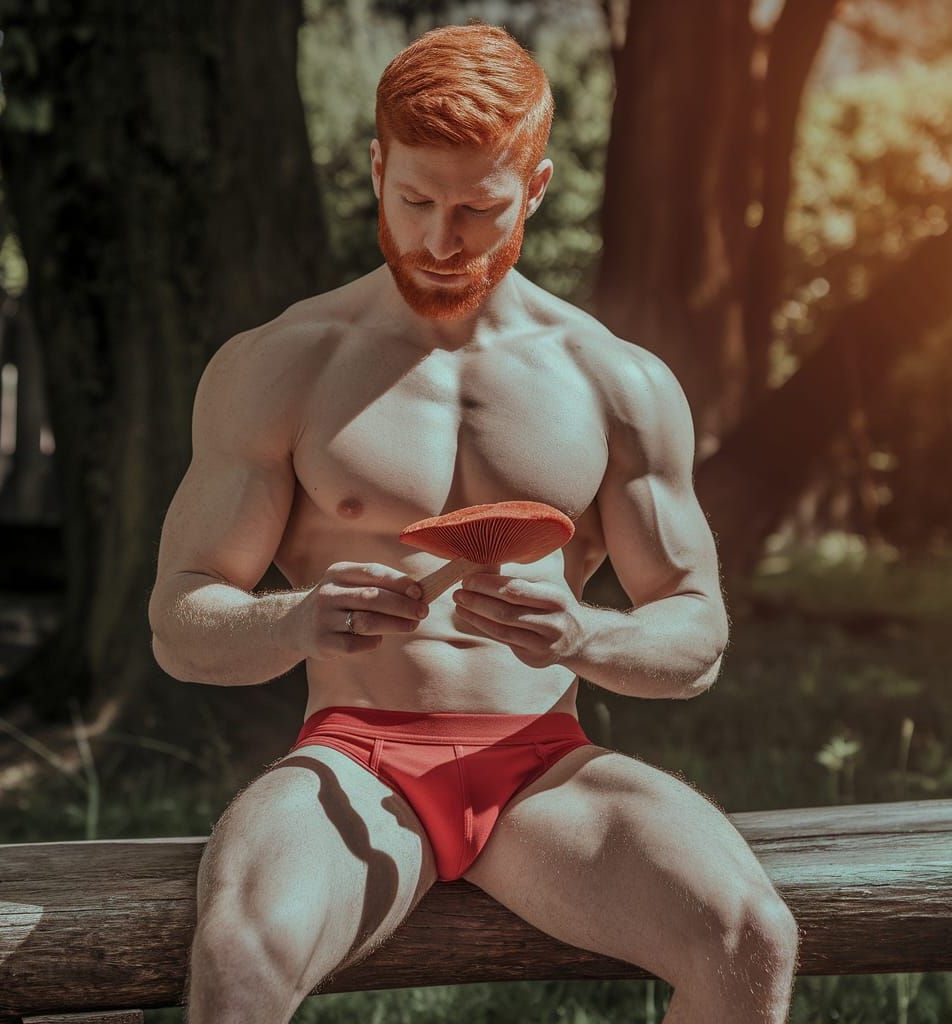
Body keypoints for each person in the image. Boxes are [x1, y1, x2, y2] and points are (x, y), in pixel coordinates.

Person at [148, 21, 800, 1024]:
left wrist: (585, 637)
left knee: (751, 937)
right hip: (352, 758)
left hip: (544, 769)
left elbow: (696, 632)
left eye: (478, 208)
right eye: (413, 201)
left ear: (533, 189)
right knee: (241, 954)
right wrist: (294, 618)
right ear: (378, 169)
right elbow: (180, 622)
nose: (439, 241)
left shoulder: (614, 382)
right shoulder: (280, 365)